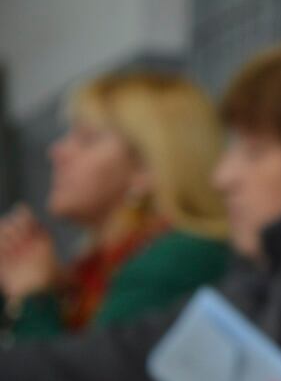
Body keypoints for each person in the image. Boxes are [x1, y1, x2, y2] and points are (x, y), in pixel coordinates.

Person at [0, 36, 281, 381]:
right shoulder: (268, 266)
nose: (224, 176)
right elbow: (129, 351)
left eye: (255, 151)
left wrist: (35, 300)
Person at [0, 73, 230, 342]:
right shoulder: (91, 273)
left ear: (145, 168)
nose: (58, 151)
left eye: (87, 139)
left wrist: (33, 297)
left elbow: (77, 378)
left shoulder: (178, 259)